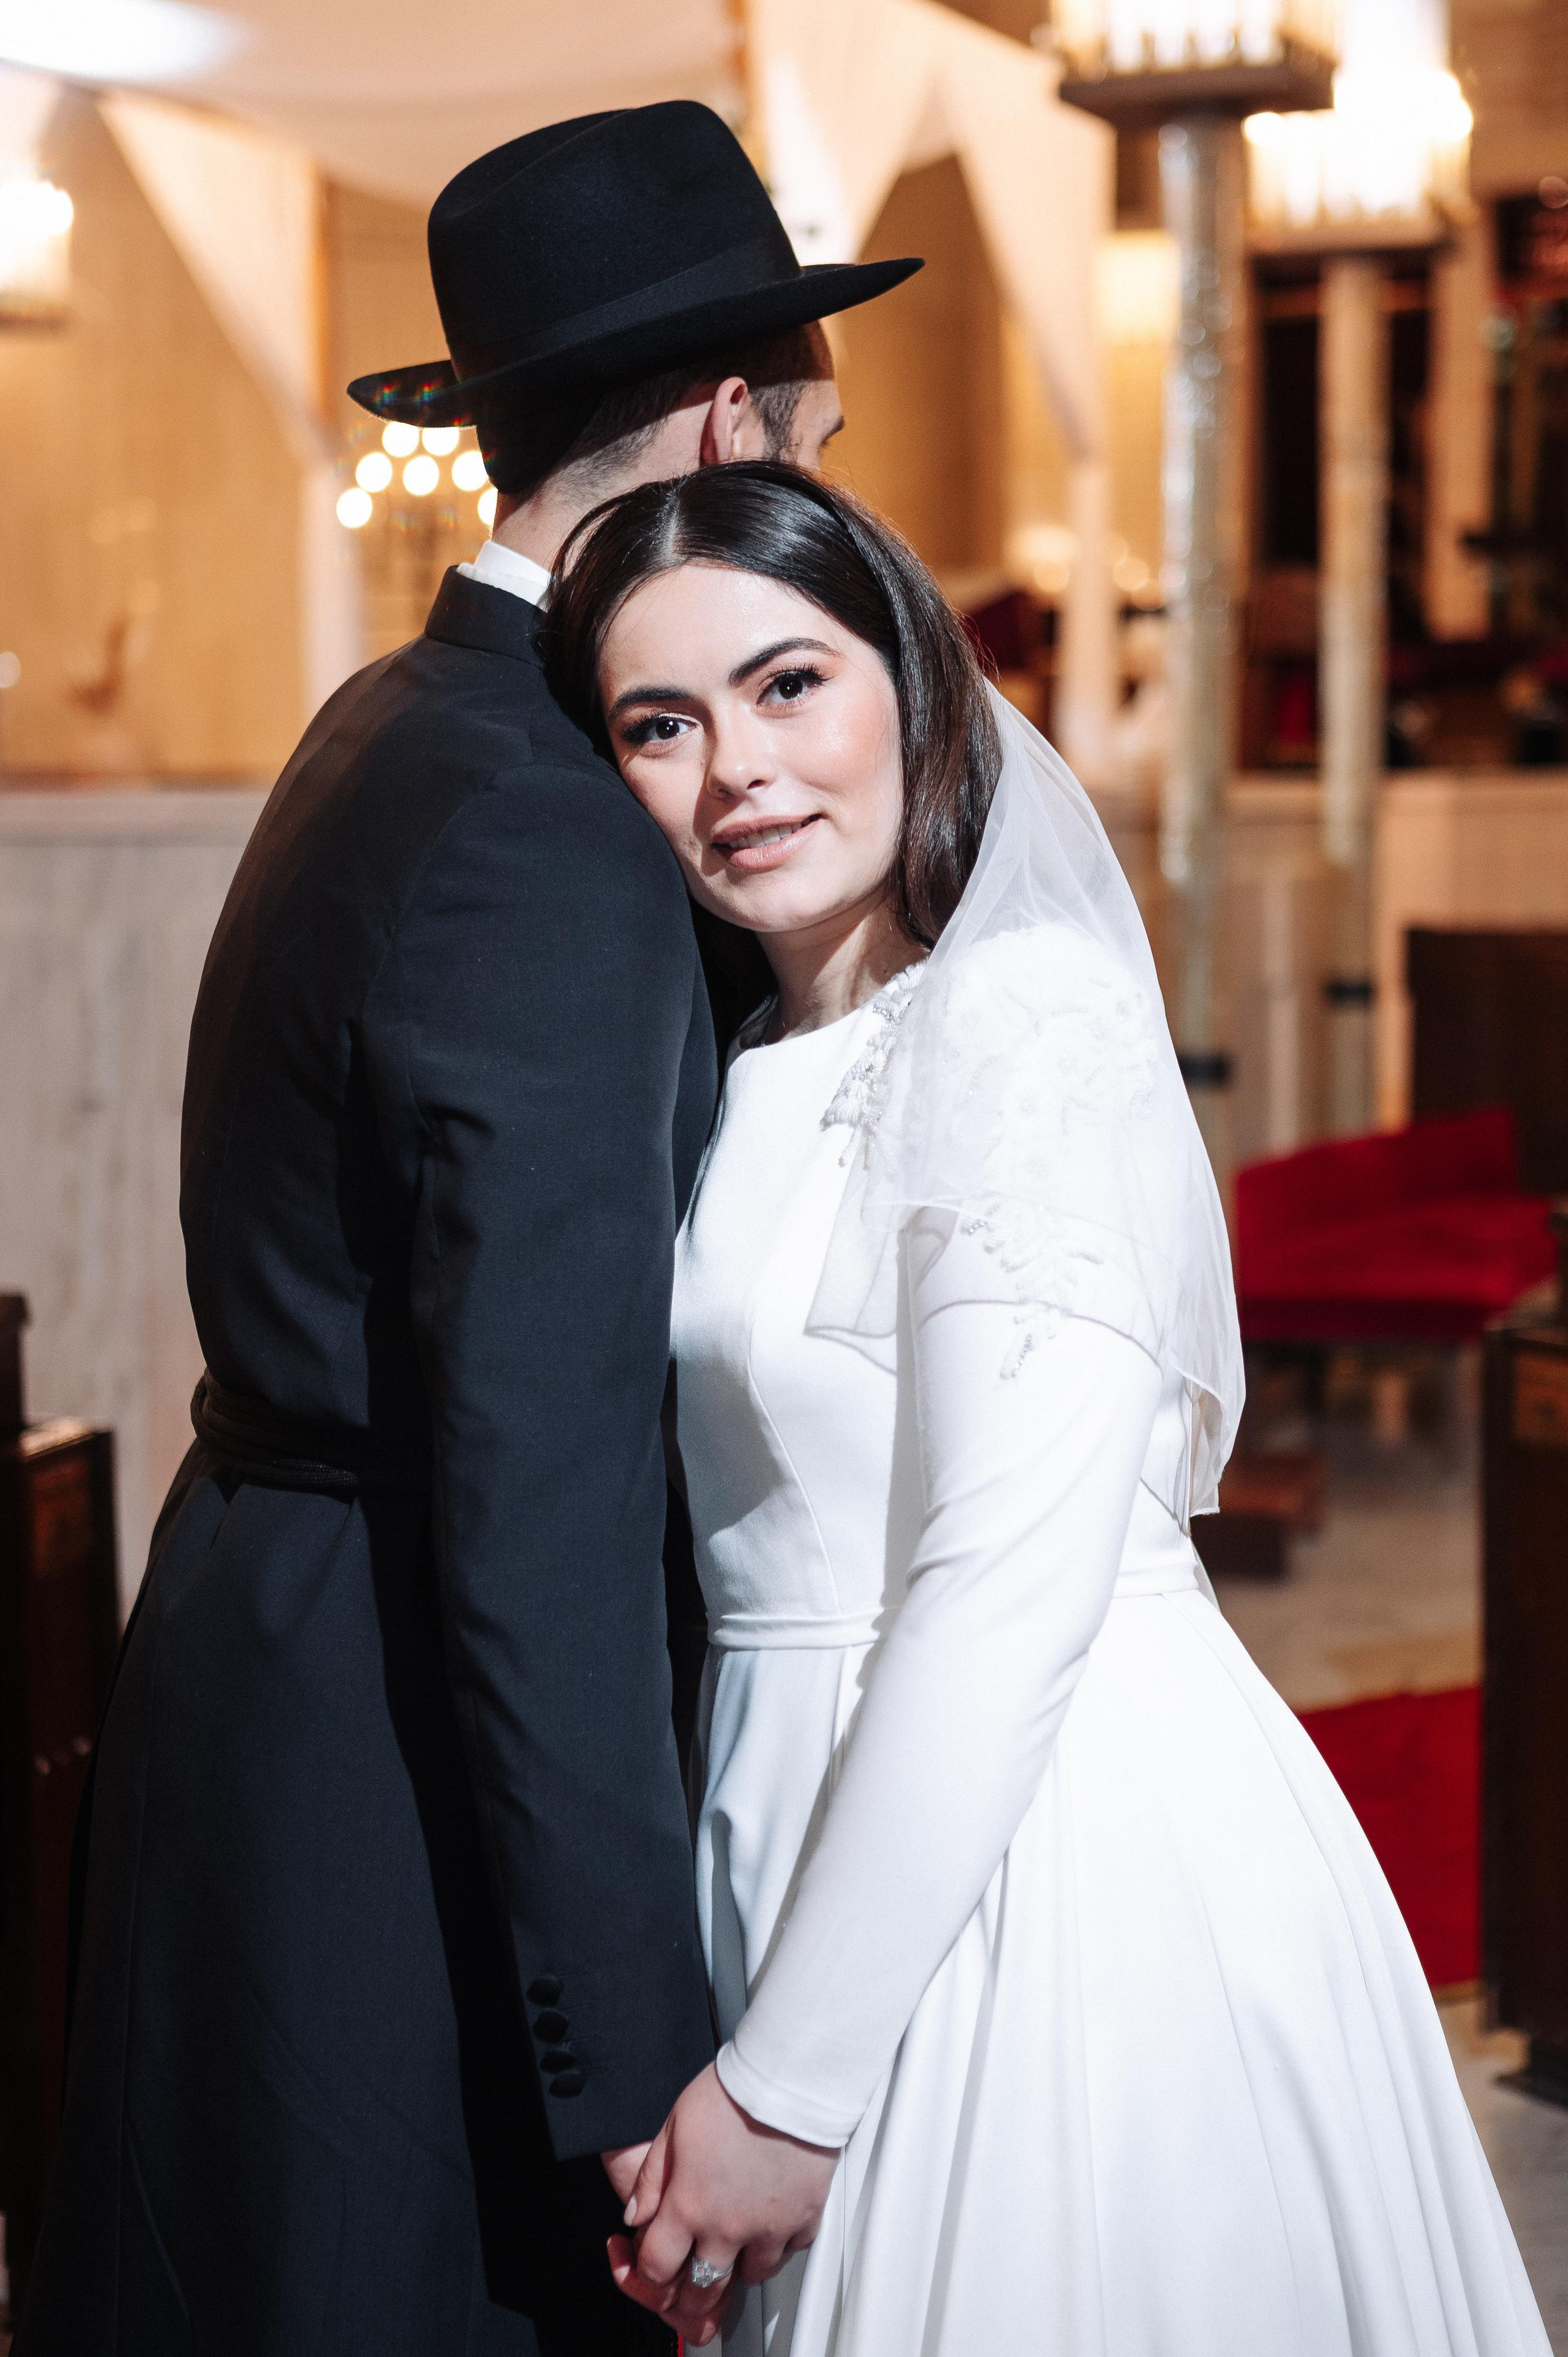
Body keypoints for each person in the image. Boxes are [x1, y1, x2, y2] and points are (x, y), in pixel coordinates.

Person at [15, 111, 917, 2357]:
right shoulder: (553, 821)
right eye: (817, 453)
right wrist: (635, 2068)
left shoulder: (401, 719)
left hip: (265, 1642)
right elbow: (541, 1472)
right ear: (729, 430)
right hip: (398, 1756)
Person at [543, 461, 1554, 2357]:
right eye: (659, 724)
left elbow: (1005, 1583)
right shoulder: (748, 1058)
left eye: (789, 685)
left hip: (1046, 1850)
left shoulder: (1022, 1019)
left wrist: (793, 2089)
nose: (736, 768)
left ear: (914, 688)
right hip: (796, 1805)